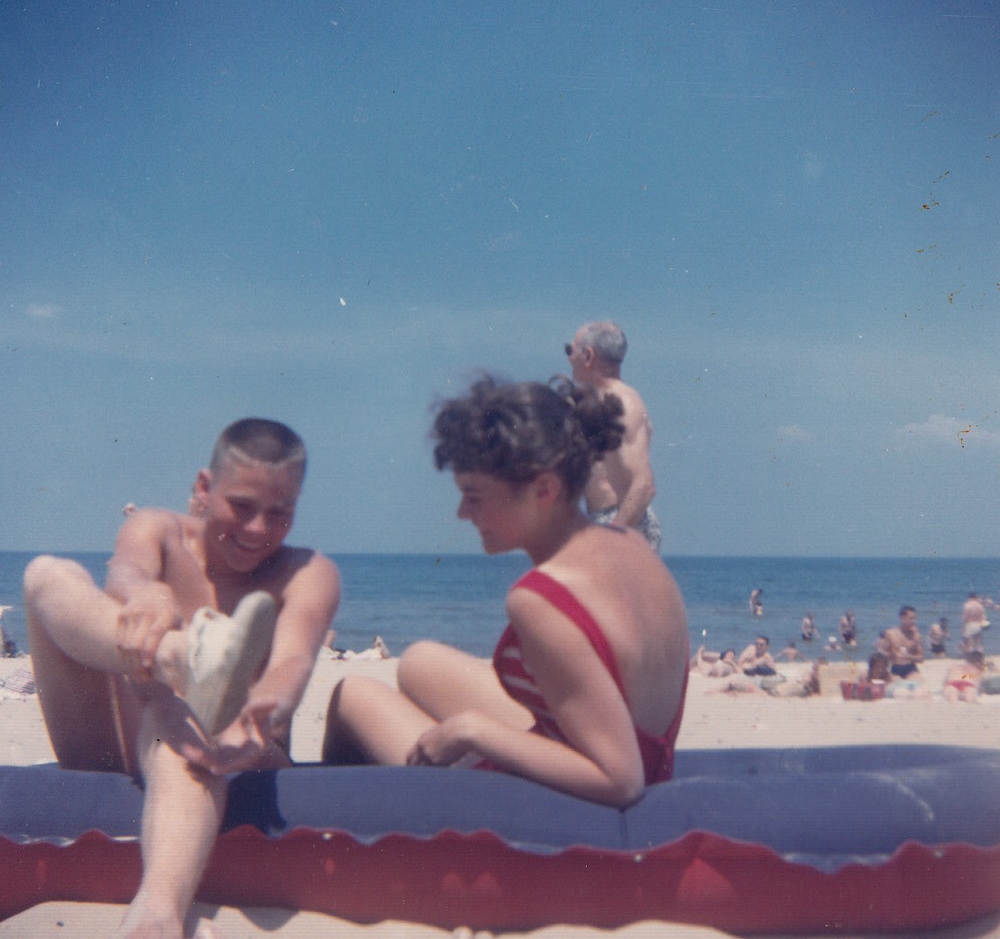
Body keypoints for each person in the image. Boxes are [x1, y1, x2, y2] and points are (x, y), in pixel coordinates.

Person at [23, 418, 340, 939]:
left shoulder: (306, 572)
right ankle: (183, 656)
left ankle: (156, 918)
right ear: (204, 487)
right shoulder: (157, 531)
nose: (257, 529)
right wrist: (146, 593)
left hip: (240, 751)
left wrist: (267, 706)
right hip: (115, 740)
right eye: (242, 506)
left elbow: (293, 661)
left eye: (279, 514)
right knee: (45, 574)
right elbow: (126, 572)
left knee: (185, 719)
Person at [322, 376, 689, 808]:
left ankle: (340, 831)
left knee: (352, 695)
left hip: (565, 803)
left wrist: (472, 731)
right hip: (627, 755)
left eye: (475, 497)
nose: (462, 514)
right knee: (419, 661)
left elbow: (621, 780)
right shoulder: (633, 546)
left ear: (544, 490)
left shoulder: (541, 598)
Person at [563, 321, 661, 552]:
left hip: (624, 521)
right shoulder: (594, 403)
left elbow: (644, 486)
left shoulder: (623, 404)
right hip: (606, 521)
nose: (569, 359)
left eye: (570, 350)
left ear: (588, 356)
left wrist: (610, 537)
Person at [883, 605, 924, 679]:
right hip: (896, 667)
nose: (914, 621)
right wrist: (892, 654)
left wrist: (909, 656)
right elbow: (883, 655)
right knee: (896, 682)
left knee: (917, 680)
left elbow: (921, 659)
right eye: (911, 618)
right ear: (902, 618)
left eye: (915, 618)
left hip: (910, 667)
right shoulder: (891, 634)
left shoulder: (916, 636)